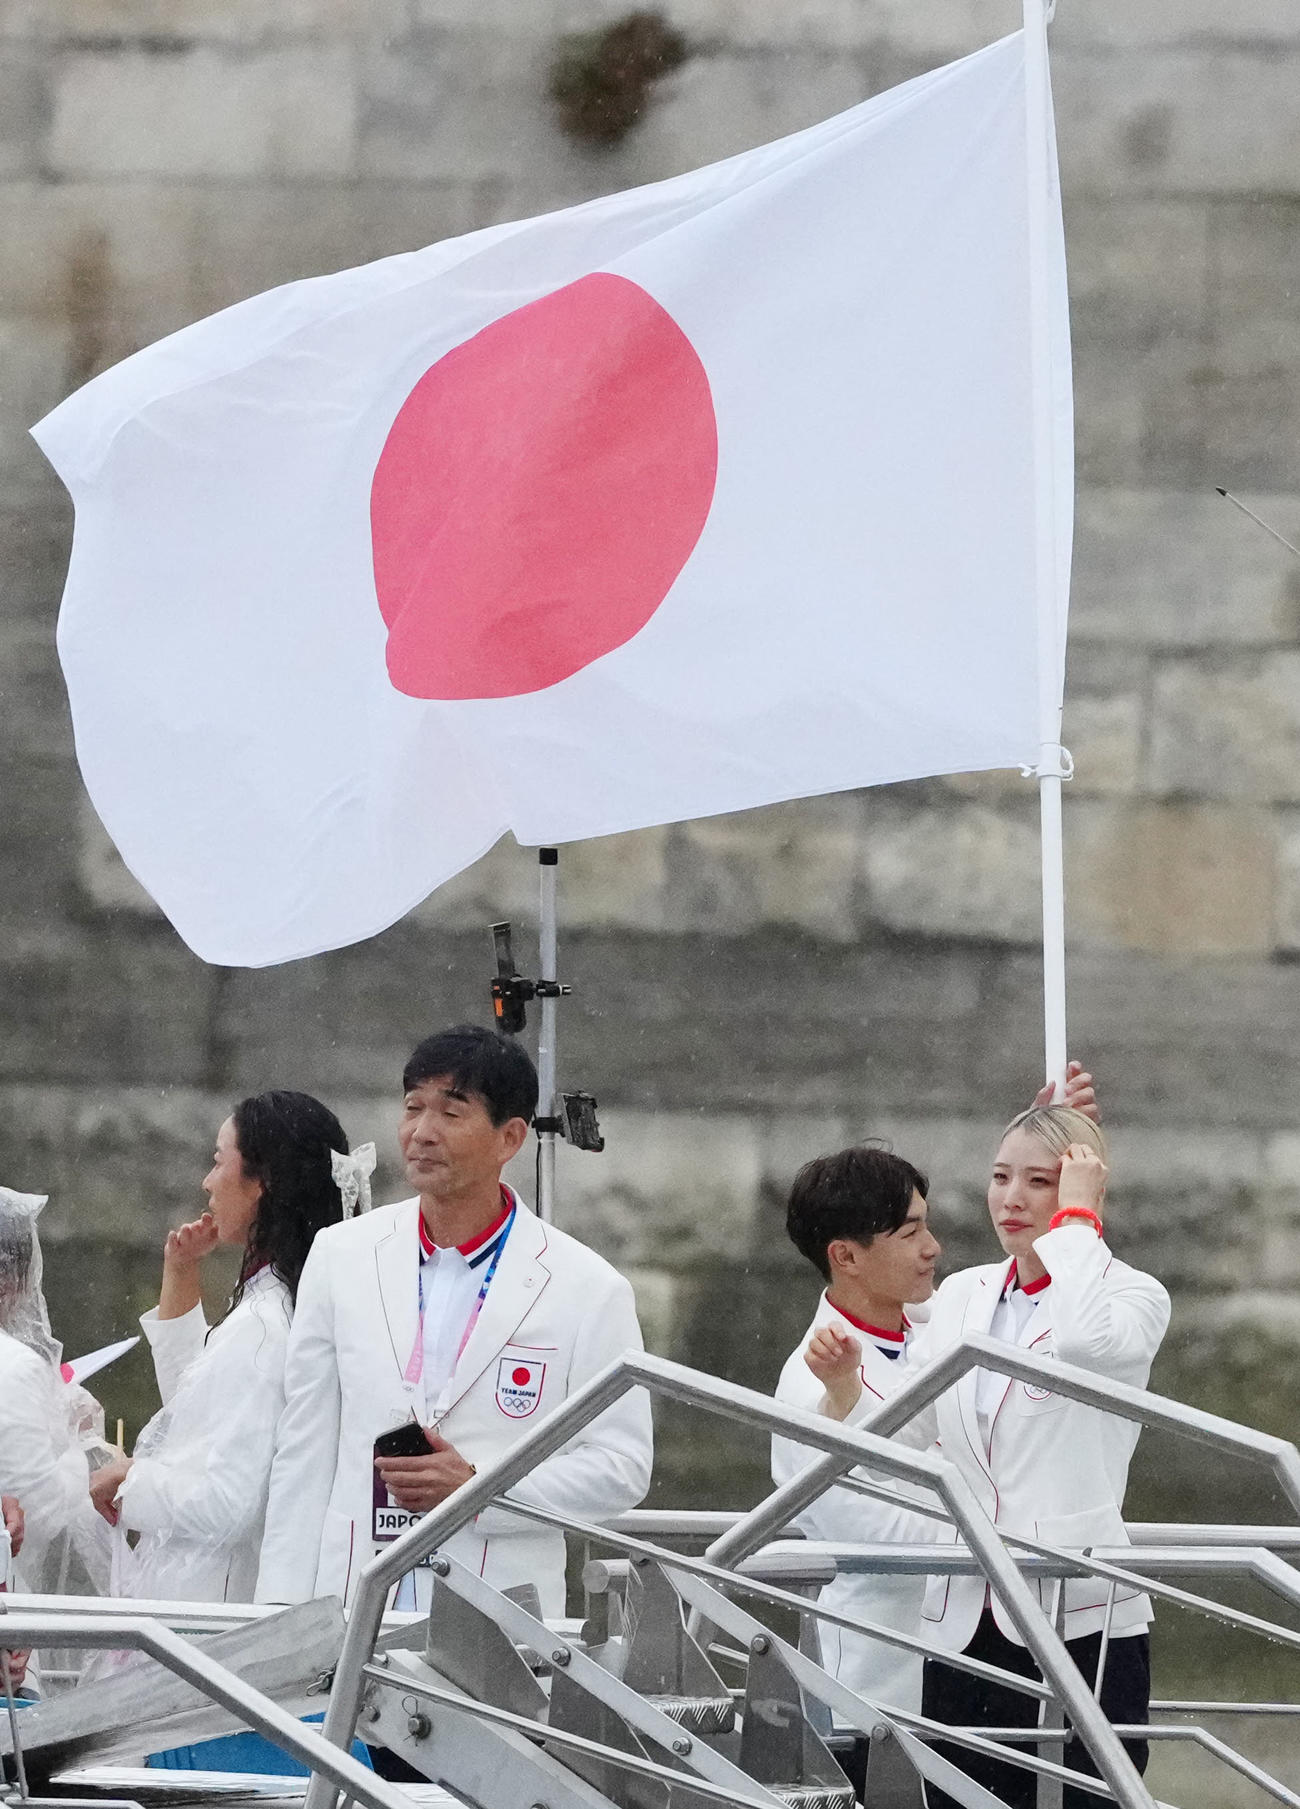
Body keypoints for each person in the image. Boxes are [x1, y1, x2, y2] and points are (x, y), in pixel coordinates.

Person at [816, 1105, 1168, 1808]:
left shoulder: (1132, 1295)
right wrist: (846, 1390)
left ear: (1084, 1190)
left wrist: (1077, 1225)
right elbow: (909, 1439)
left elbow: (1083, 1345)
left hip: (1078, 1614)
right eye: (1001, 1176)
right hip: (962, 1613)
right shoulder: (962, 1294)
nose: (1012, 1197)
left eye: (1040, 1181)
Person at [256, 1024, 653, 1622]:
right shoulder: (341, 1255)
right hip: (353, 1604)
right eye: (412, 1107)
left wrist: (478, 1488)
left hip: (499, 1618)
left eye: (450, 1112)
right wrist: (279, 1613)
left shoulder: (587, 1288)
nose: (421, 1132)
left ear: (510, 1138)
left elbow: (621, 1468)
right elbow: (304, 1450)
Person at [88, 1092, 366, 1605]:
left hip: (213, 1608)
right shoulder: (283, 1301)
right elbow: (196, 1414)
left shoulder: (267, 1325)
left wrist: (132, 1481)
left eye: (219, 1162)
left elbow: (228, 1503)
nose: (207, 1181)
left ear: (263, 1181)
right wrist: (181, 1272)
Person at [771, 1145, 941, 1712]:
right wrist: (1003, 1527)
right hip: (879, 1680)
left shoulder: (944, 1328)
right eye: (910, 1233)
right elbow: (875, 1538)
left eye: (927, 1226)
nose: (932, 1247)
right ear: (845, 1256)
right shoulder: (807, 1382)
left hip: (969, 1658)